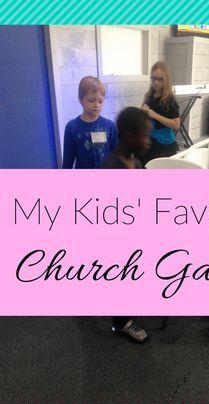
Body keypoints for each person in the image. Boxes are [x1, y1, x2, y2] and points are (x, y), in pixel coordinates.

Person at [102, 107, 151, 342]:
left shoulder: (136, 162)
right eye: (145, 135)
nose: (148, 141)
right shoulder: (112, 168)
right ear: (130, 136)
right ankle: (121, 323)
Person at [62, 76, 117, 168]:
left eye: (100, 101)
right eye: (91, 100)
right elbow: (68, 160)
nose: (96, 105)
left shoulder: (109, 126)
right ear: (80, 99)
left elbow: (116, 156)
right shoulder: (72, 127)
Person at [141, 61, 180, 165]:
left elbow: (176, 125)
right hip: (150, 142)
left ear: (166, 79)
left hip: (164, 145)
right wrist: (142, 112)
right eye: (153, 78)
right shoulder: (149, 96)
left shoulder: (169, 100)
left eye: (160, 79)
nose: (156, 82)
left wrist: (154, 115)